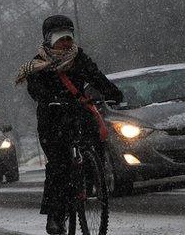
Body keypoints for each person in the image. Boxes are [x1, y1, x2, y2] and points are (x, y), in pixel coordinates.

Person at [16, 15, 123, 235]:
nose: (65, 42)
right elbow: (35, 90)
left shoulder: (78, 57)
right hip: (52, 119)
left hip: (77, 111)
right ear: (48, 39)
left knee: (95, 137)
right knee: (59, 165)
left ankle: (93, 176)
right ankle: (56, 215)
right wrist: (50, 98)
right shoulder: (38, 64)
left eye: (69, 37)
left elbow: (96, 76)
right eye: (59, 37)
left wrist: (114, 93)